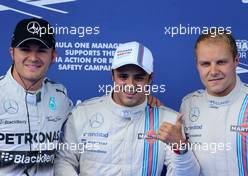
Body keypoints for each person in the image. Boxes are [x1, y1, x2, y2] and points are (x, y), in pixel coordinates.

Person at [54, 41, 200, 176]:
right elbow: (64, 161)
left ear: (150, 79)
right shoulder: (83, 114)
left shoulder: (168, 120)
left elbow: (189, 174)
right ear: (112, 75)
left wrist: (181, 148)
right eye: (123, 76)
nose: (130, 84)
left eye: (138, 78)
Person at [180, 30, 248, 175]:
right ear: (197, 66)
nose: (213, 71)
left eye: (221, 62)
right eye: (205, 64)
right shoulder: (189, 104)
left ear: (236, 61)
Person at [0, 18, 72, 175]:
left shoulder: (60, 96)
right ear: (12, 53)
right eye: (25, 49)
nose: (33, 57)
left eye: (41, 50)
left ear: (53, 56)